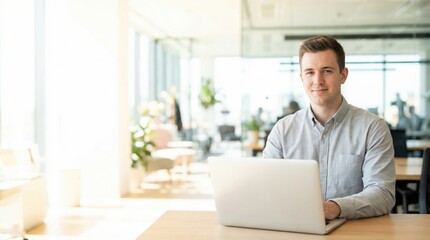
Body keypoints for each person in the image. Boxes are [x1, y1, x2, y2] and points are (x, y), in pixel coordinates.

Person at [263, 35, 395, 220]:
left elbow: (383, 194)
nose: (318, 80)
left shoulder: (372, 127)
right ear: (302, 78)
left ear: (343, 75)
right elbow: (265, 187)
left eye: (326, 71)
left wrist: (335, 208)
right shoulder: (283, 130)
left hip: (353, 230)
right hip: (296, 228)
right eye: (309, 72)